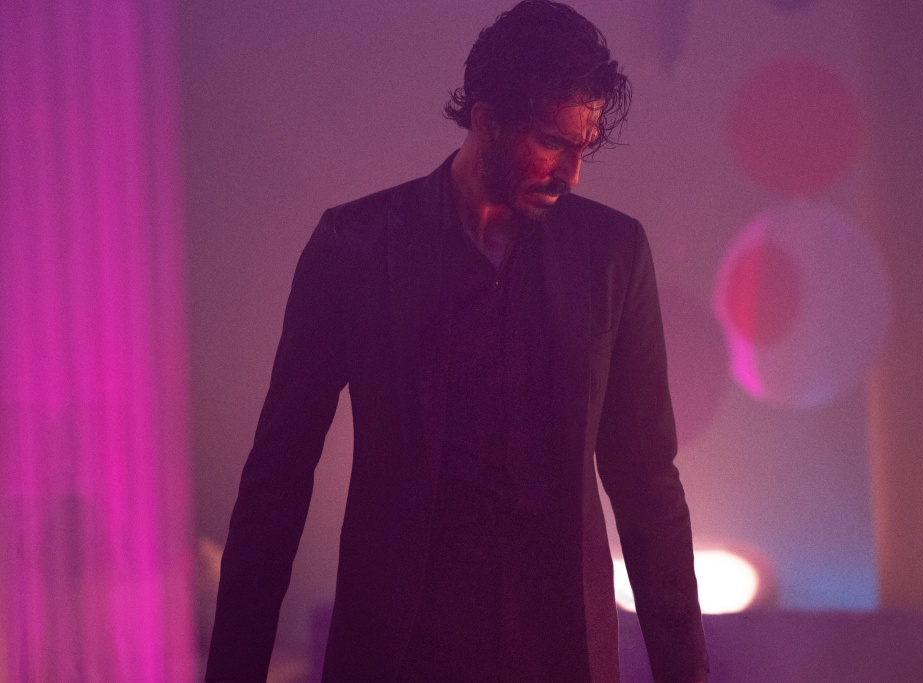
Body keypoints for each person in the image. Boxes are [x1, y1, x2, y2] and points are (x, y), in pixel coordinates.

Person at [205, 2, 708, 682]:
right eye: (553, 142)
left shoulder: (612, 253)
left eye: (584, 147)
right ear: (486, 119)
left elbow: (647, 484)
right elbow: (277, 476)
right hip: (400, 655)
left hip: (560, 655)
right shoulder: (355, 246)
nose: (573, 174)